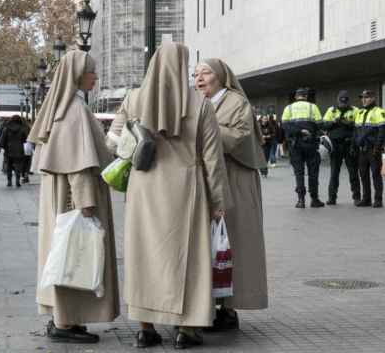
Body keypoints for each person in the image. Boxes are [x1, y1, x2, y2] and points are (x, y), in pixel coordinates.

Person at [107, 44, 230, 349]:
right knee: (188, 260)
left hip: (144, 188)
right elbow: (213, 159)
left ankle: (145, 328)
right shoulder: (200, 103)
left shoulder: (134, 98)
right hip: (187, 189)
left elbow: (111, 141)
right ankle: (186, 330)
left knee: (144, 255)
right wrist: (218, 202)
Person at [28, 50, 119, 344]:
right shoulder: (75, 111)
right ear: (79, 75)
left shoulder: (66, 106)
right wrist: (86, 204)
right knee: (73, 255)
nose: (96, 76)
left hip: (63, 200)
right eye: (92, 71)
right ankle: (65, 322)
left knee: (67, 256)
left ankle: (67, 318)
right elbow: (77, 166)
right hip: (74, 201)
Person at [194, 58, 269, 331]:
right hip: (212, 180)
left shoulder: (236, 102)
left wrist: (204, 128)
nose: (199, 78)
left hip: (236, 179)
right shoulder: (199, 102)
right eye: (196, 74)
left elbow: (238, 137)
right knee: (211, 245)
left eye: (206, 73)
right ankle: (211, 305)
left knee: (233, 241)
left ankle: (228, 308)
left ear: (221, 76)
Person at [281, 88, 325, 208]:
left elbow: (284, 125)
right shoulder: (313, 107)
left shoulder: (288, 108)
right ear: (306, 96)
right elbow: (320, 124)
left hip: (295, 145)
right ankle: (314, 199)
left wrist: (299, 131)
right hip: (311, 144)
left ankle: (301, 200)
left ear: (296, 97)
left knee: (299, 173)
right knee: (313, 173)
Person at [321, 90, 360, 205]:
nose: (343, 104)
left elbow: (359, 126)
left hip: (349, 144)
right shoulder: (331, 110)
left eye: (345, 102)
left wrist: (349, 123)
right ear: (338, 100)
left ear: (348, 101)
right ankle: (332, 198)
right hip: (336, 145)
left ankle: (357, 197)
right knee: (334, 173)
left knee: (353, 172)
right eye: (341, 102)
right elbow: (324, 125)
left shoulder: (355, 110)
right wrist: (334, 122)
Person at [354, 90, 385, 208]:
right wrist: (354, 146)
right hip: (362, 149)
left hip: (373, 149)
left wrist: (377, 147)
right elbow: (356, 131)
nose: (363, 99)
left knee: (375, 174)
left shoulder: (378, 111)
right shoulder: (359, 112)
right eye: (362, 97)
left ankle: (378, 199)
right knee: (363, 175)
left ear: (373, 98)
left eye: (366, 97)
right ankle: (366, 199)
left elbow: (382, 131)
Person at [0, 115, 27, 187]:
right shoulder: (22, 129)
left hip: (8, 150)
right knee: (18, 166)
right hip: (19, 150)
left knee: (9, 166)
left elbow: (2, 140)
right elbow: (25, 140)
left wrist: (4, 147)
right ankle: (17, 181)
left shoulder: (6, 129)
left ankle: (9, 181)